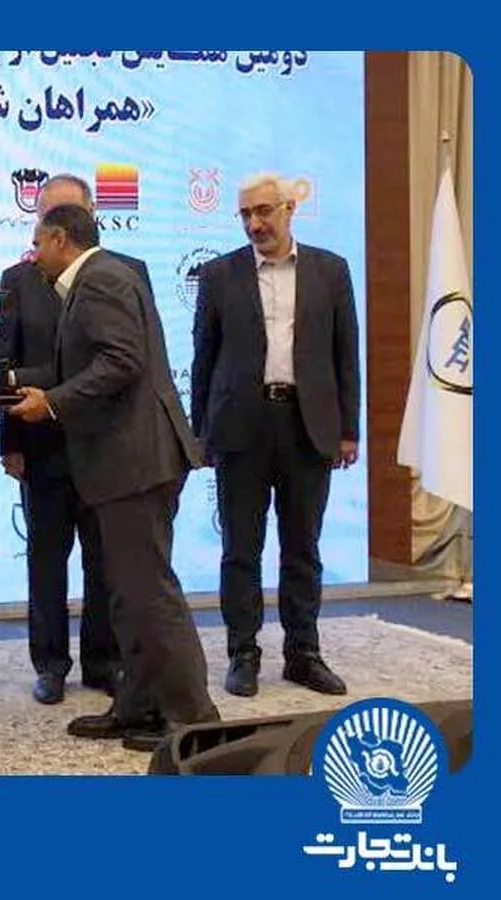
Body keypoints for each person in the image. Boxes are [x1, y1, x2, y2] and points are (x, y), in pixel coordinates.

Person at [10, 204, 219, 751]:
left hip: (136, 460)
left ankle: (194, 720)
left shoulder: (100, 279)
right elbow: (98, 362)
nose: (34, 254)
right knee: (128, 593)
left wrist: (52, 403)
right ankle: (139, 706)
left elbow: (121, 361)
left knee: (149, 593)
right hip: (127, 461)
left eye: (38, 241)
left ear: (60, 239)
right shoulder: (103, 277)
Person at [191, 172, 359, 698]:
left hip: (308, 426)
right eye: (245, 214)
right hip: (240, 426)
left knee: (302, 547)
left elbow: (345, 354)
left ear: (290, 210)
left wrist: (348, 430)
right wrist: (200, 433)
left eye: (263, 211)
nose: (254, 223)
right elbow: (203, 359)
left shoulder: (331, 270)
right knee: (240, 549)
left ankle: (303, 653)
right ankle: (243, 653)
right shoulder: (218, 274)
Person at [0, 173, 155, 704]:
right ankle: (50, 664)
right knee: (45, 561)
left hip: (109, 445)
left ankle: (104, 662)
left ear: (85, 220)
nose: (51, 228)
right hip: (43, 446)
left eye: (65, 215)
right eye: (46, 216)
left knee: (106, 561)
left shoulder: (127, 272)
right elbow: (6, 365)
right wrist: (11, 442)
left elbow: (132, 360)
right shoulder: (19, 279)